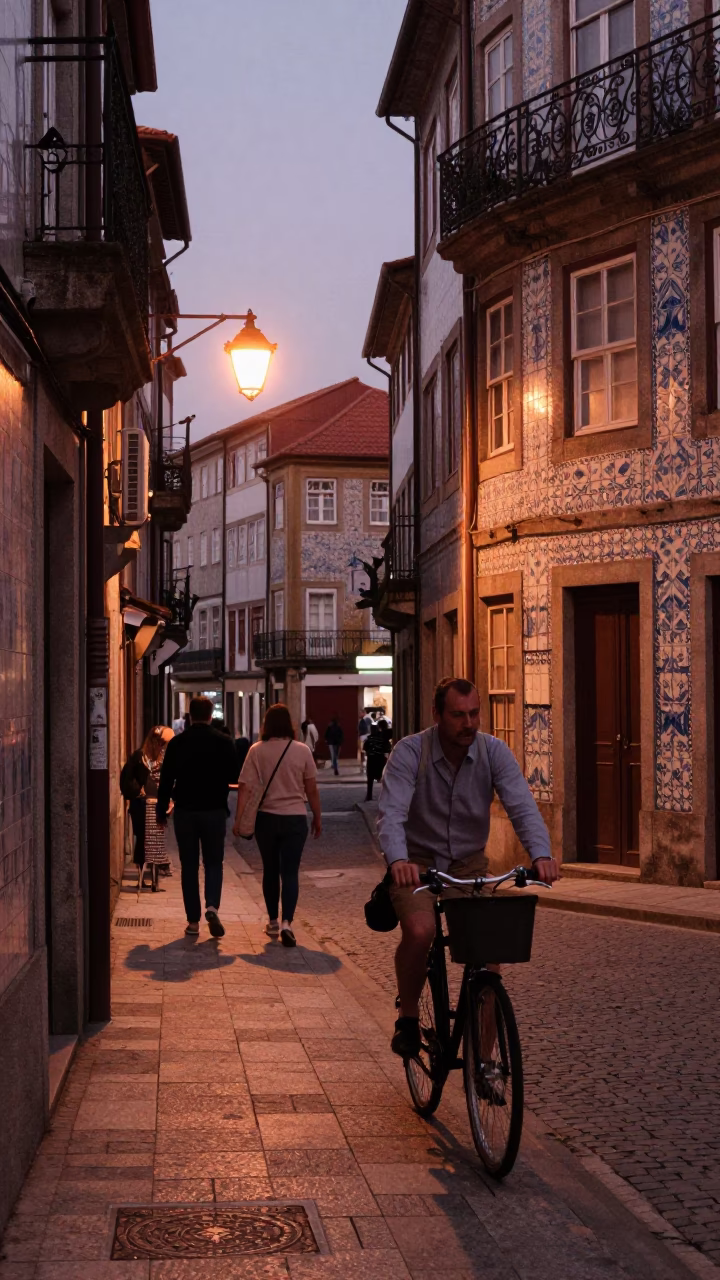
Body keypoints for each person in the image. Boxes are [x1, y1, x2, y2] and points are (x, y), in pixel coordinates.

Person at [377, 677, 559, 1058]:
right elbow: (392, 813)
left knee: (489, 960)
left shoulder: (494, 752)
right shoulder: (410, 752)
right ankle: (408, 1018)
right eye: (458, 715)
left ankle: (484, 1064)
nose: (469, 722)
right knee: (420, 929)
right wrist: (398, 861)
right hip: (417, 863)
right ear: (437, 715)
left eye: (474, 713)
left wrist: (541, 855)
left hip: (469, 864)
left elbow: (521, 806)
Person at [233, 703, 321, 947]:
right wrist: (317, 816)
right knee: (290, 872)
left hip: (266, 819)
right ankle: (287, 923)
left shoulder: (256, 751)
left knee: (270, 870)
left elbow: (245, 787)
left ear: (266, 724)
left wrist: (239, 820)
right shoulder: (302, 751)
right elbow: (311, 788)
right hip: (295, 818)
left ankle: (272, 920)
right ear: (289, 724)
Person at [157, 695, 240, 938]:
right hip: (214, 811)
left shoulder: (178, 743)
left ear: (190, 715)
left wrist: (161, 811)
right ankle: (212, 906)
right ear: (210, 715)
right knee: (214, 862)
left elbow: (166, 780)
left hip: (185, 812)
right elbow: (234, 776)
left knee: (189, 867)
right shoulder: (224, 742)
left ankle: (193, 922)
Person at [120, 726, 175, 883]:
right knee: (142, 837)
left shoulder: (164, 759)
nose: (163, 746)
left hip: (158, 803)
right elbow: (127, 777)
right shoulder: (140, 756)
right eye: (162, 743)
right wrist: (138, 791)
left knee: (156, 838)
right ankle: (142, 876)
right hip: (141, 804)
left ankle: (154, 875)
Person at [363, 718, 392, 802]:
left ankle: (369, 796)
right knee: (385, 779)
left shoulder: (370, 738)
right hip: (380, 759)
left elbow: (365, 748)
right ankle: (386, 796)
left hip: (371, 760)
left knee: (370, 779)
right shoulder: (385, 737)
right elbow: (387, 749)